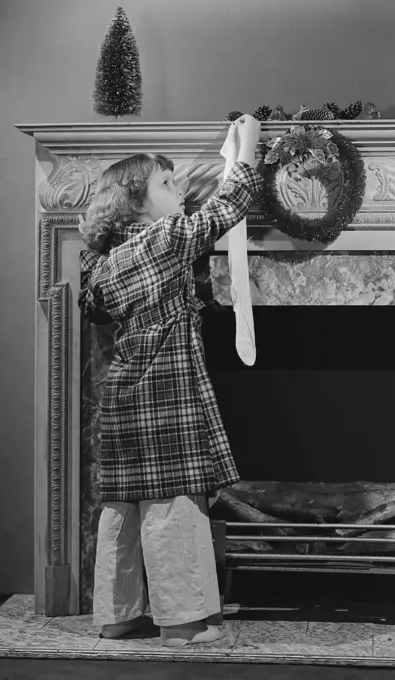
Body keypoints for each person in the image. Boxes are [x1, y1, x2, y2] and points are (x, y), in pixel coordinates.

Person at [78, 114, 262, 648]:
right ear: (135, 204)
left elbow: (95, 302)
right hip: (165, 396)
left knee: (124, 508)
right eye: (166, 183)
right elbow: (227, 208)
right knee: (174, 505)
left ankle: (116, 616)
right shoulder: (165, 240)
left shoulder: (107, 264)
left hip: (122, 397)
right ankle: (181, 621)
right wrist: (246, 145)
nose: (180, 188)